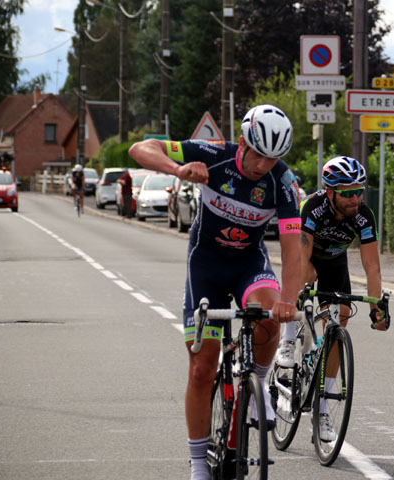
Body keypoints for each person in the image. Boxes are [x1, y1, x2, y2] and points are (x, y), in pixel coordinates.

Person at [128, 104, 302, 480]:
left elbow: (291, 248)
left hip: (248, 267)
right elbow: (140, 149)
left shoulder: (282, 184)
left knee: (270, 317)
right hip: (205, 267)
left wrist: (289, 300)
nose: (263, 166)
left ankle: (255, 388)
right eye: (258, 154)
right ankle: (197, 465)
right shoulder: (214, 155)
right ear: (242, 142)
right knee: (202, 369)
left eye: (273, 159)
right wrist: (179, 170)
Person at [276, 155, 387, 441]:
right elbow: (299, 255)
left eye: (359, 191)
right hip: (307, 256)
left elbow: (372, 265)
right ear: (330, 191)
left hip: (336, 262)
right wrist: (302, 281)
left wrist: (378, 308)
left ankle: (322, 409)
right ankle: (288, 338)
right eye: (348, 193)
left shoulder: (364, 215)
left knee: (341, 320)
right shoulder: (312, 208)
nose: (355, 199)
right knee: (306, 275)